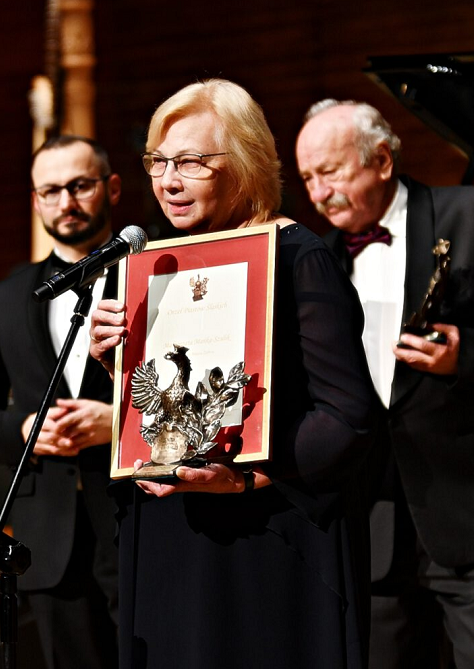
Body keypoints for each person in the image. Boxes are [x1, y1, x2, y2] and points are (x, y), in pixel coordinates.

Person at [89, 80, 378, 669]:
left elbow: (348, 417)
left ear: (244, 164)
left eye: (191, 162)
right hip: (172, 538)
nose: (168, 180)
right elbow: (149, 419)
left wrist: (248, 479)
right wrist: (110, 363)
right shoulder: (154, 265)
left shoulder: (301, 259)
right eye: (158, 161)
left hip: (270, 547)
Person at [295, 99, 474, 669]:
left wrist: (465, 353)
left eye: (330, 172)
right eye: (306, 178)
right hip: (369, 520)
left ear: (380, 159)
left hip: (467, 510)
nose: (318, 193)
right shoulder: (317, 257)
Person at [0, 135, 121, 669]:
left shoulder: (164, 272)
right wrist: (25, 429)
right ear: (35, 201)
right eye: (51, 191)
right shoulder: (4, 299)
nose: (66, 202)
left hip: (140, 519)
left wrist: (120, 422)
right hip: (49, 537)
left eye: (80, 186)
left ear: (111, 188)